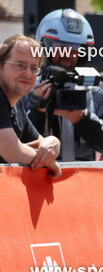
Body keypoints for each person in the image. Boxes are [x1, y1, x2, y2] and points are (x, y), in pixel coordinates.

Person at [22, 9, 103, 162]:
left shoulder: (95, 89)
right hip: (38, 176)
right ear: (44, 48)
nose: (67, 55)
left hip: (82, 176)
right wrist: (37, 111)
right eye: (60, 47)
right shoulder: (27, 86)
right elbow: (12, 144)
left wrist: (83, 119)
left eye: (75, 49)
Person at [0, 34, 61, 175]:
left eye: (34, 68)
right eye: (20, 65)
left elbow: (40, 143)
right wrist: (50, 163)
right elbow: (14, 152)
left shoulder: (16, 105)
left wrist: (54, 142)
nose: (28, 74)